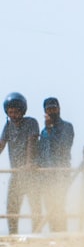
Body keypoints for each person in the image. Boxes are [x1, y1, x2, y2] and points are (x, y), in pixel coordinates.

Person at [0, 92, 41, 235]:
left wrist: (29, 163)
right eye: (10, 112)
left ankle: (36, 235)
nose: (13, 115)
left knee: (35, 206)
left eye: (16, 112)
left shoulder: (31, 123)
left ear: (22, 111)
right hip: (16, 174)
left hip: (30, 174)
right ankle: (13, 235)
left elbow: (32, 142)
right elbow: (1, 145)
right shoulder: (8, 126)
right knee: (12, 208)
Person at [37, 96, 75, 232]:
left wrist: (51, 129)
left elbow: (62, 147)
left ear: (59, 109)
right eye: (49, 109)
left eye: (54, 108)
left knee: (59, 205)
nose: (52, 111)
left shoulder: (67, 127)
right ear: (45, 111)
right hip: (46, 176)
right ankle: (54, 233)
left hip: (61, 174)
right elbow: (41, 152)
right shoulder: (43, 131)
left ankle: (62, 233)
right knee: (49, 207)